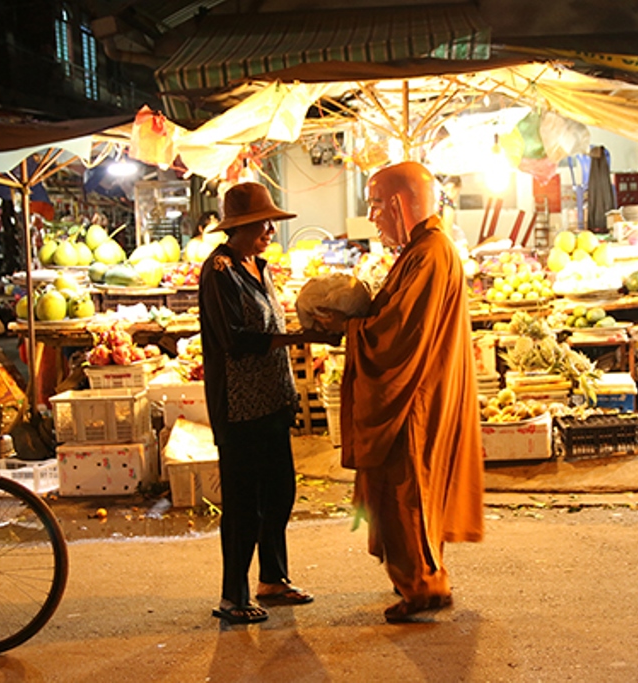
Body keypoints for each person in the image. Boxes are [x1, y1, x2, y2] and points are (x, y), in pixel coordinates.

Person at [317, 161, 484, 623]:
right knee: (414, 493)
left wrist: (349, 328)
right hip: (421, 390)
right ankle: (425, 577)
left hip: (413, 396)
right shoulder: (421, 251)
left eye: (375, 206)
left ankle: (423, 588)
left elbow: (397, 331)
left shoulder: (430, 254)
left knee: (406, 492)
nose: (372, 217)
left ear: (398, 204)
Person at [198, 182, 340, 625]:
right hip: (239, 407)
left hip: (274, 401)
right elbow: (236, 340)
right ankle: (232, 595)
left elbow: (272, 324)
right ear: (240, 225)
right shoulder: (219, 271)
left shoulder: (259, 268)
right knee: (243, 502)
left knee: (280, 493)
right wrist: (302, 337)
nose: (270, 233)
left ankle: (272, 580)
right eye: (264, 224)